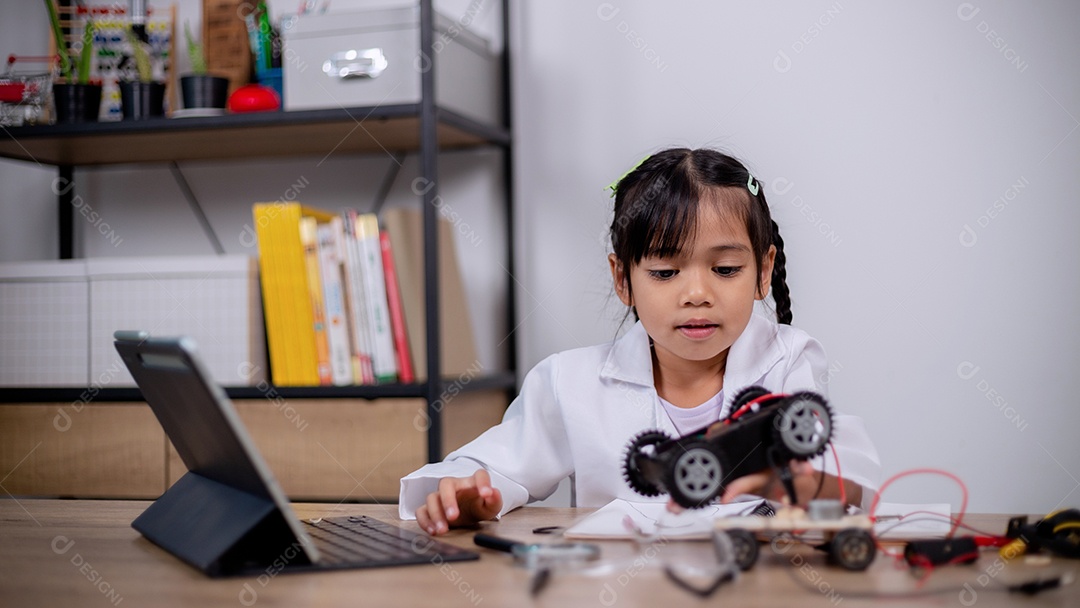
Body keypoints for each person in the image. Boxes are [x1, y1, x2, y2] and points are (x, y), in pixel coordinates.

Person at [399, 147, 880, 536]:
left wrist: (808, 485)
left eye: (726, 269)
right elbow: (492, 467)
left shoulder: (787, 361)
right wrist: (463, 493)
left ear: (764, 270)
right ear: (623, 279)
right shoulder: (569, 382)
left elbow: (842, 479)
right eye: (666, 272)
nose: (697, 294)